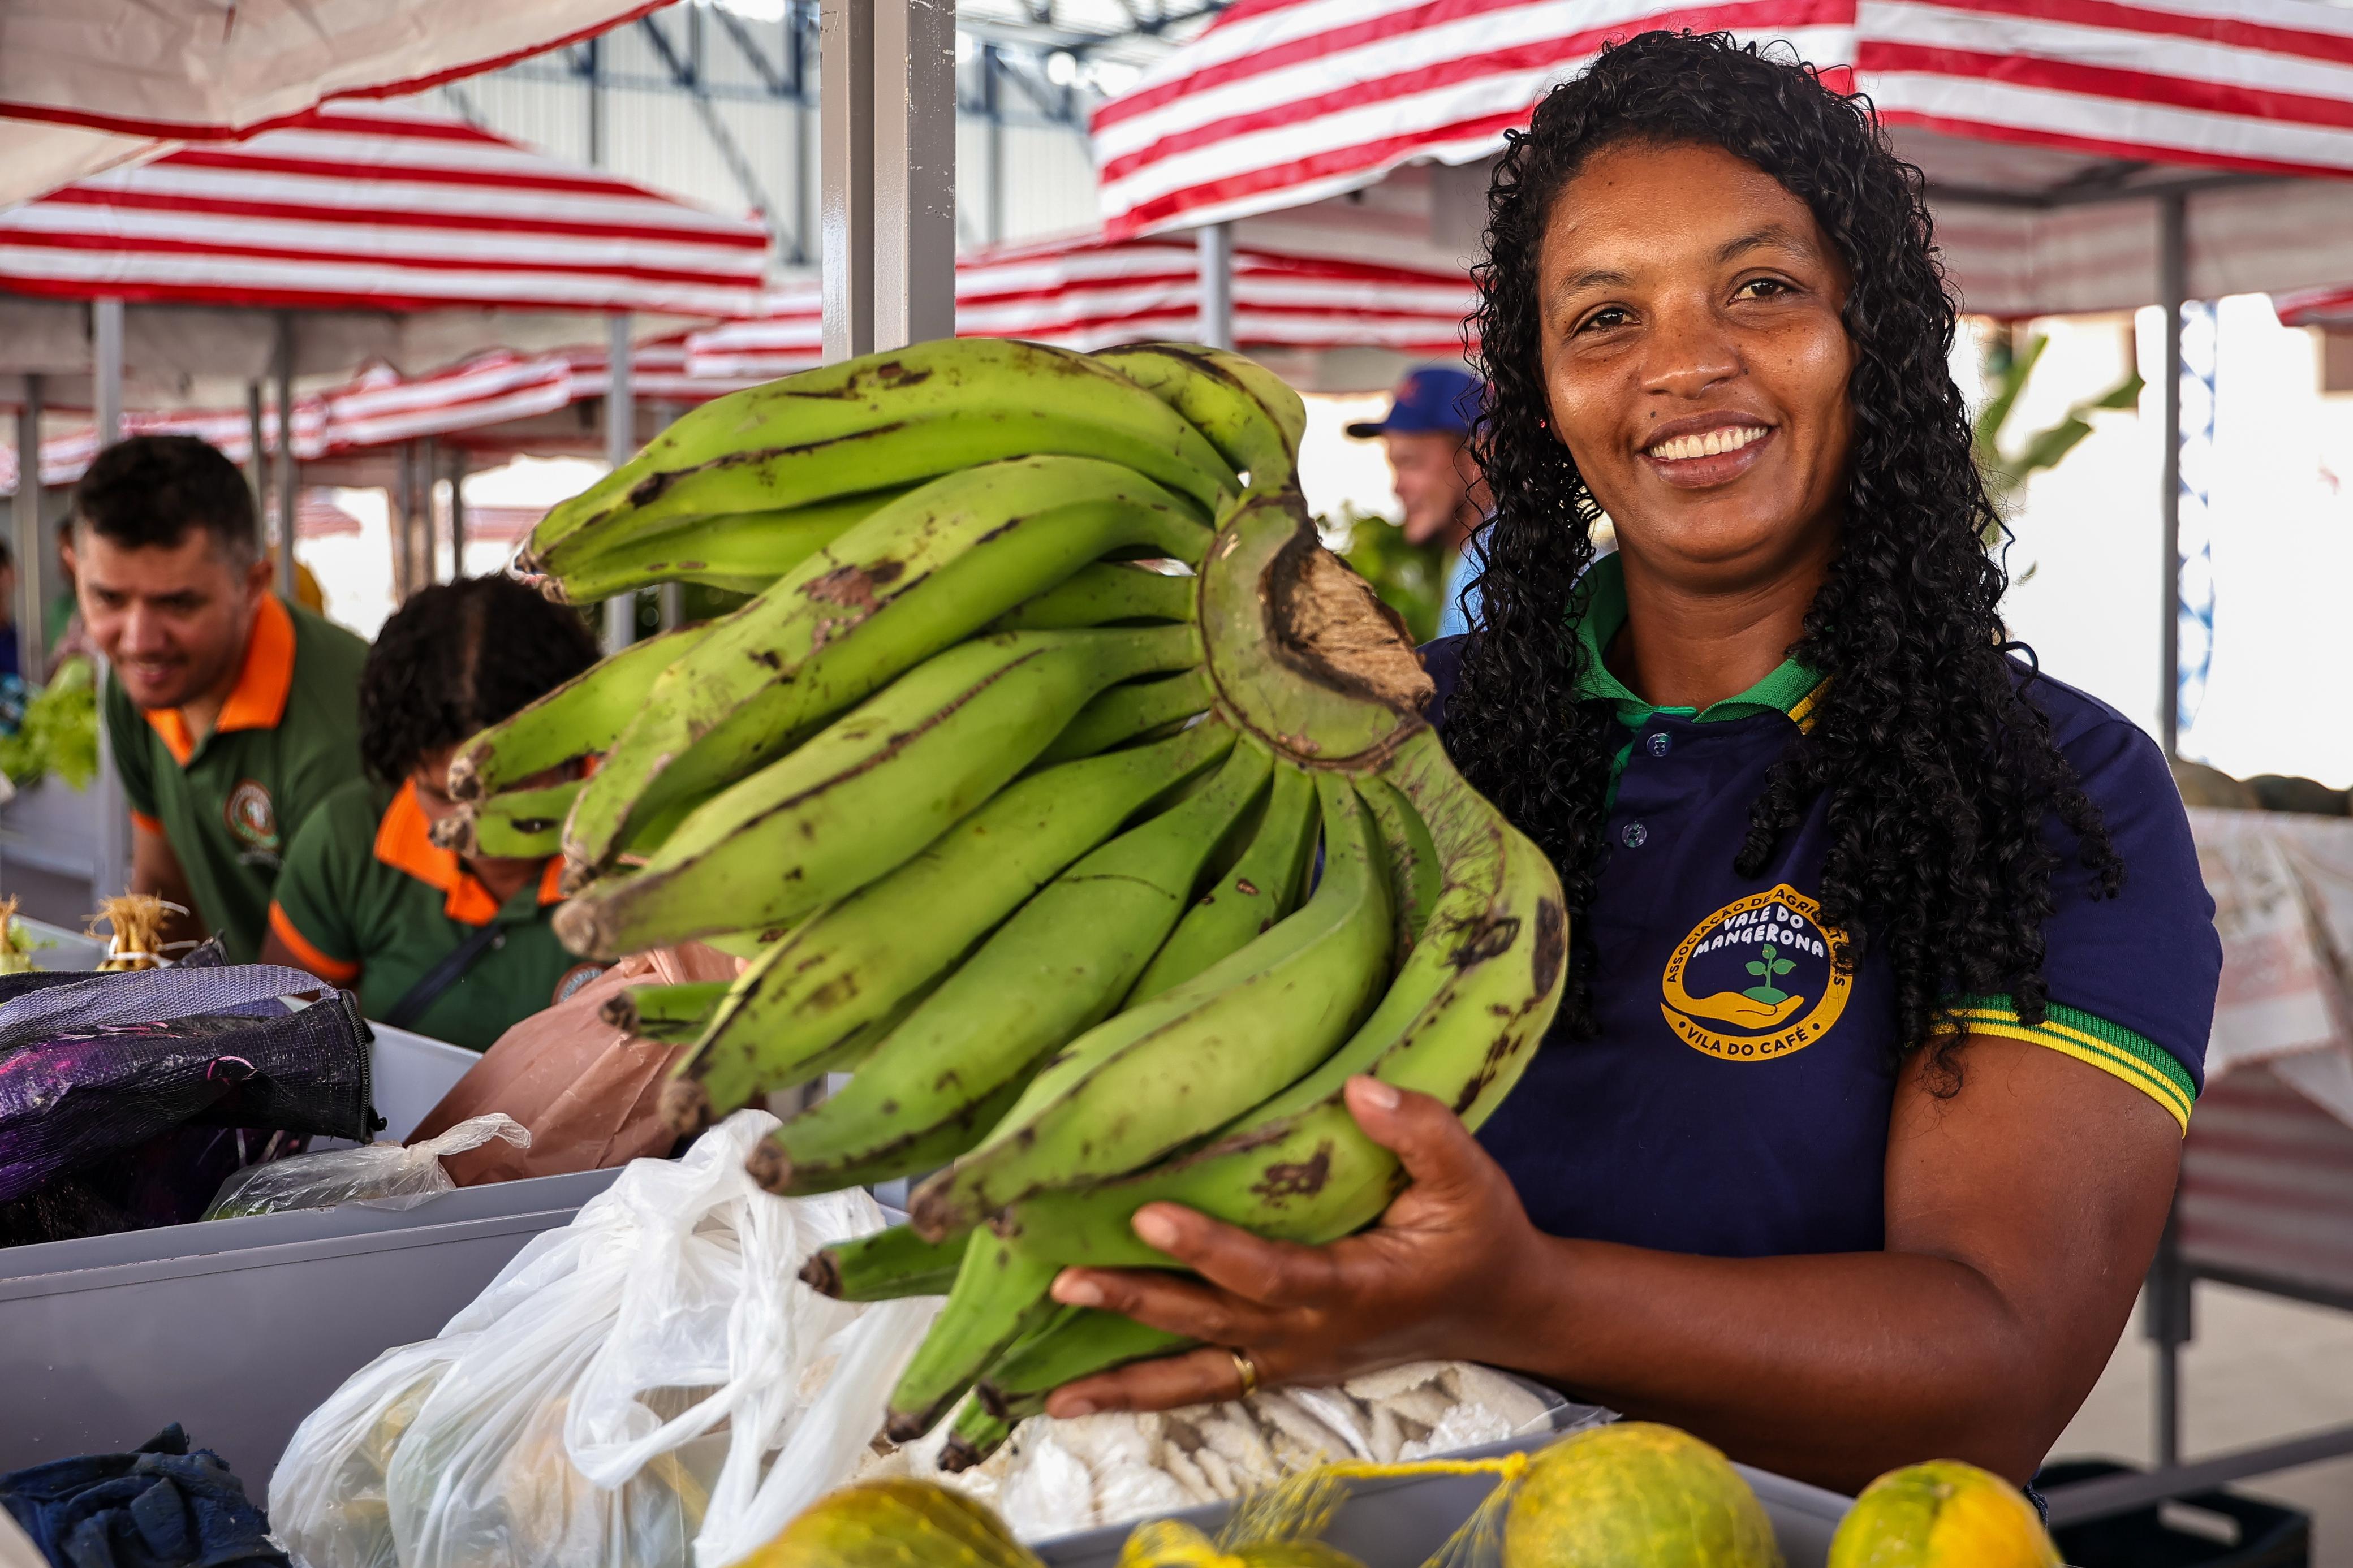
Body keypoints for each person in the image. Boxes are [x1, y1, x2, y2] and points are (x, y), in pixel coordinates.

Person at [1037, 33, 2222, 1497]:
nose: (1683, 362)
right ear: (1541, 392)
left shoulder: (2050, 792)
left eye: (1763, 289)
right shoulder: (1390, 742)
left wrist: (1513, 1297)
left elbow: (1997, 1372)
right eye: (1605, 316)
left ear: (1876, 329)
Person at [262, 577, 605, 1048]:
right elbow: (286, 1043)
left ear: (575, 747)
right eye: (442, 797)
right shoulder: (348, 842)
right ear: (404, 772)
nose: (475, 830)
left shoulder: (657, 847)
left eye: (506, 793)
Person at [75, 435, 368, 962]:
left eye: (179, 603)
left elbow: (324, 990)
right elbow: (164, 891)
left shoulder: (341, 731)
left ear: (254, 585)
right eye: (108, 598)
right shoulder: (137, 689)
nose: (139, 640)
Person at [1347, 365, 1492, 638]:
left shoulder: (1494, 577)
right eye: (1394, 466)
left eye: (1411, 463)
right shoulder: (1477, 562)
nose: (1397, 488)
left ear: (1479, 457)